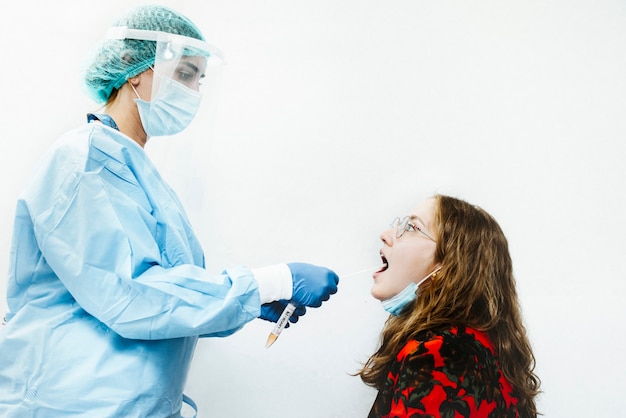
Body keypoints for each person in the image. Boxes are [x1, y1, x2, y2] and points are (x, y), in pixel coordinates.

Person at [0, 5, 339, 417]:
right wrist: (267, 283)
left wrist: (242, 305)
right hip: (70, 404)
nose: (193, 91)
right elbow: (131, 292)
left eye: (199, 79)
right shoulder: (86, 160)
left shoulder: (132, 168)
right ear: (132, 68)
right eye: (183, 74)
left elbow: (164, 299)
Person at [358, 194, 540, 418]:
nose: (386, 235)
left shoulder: (439, 353)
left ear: (448, 267)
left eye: (413, 227)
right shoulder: (480, 347)